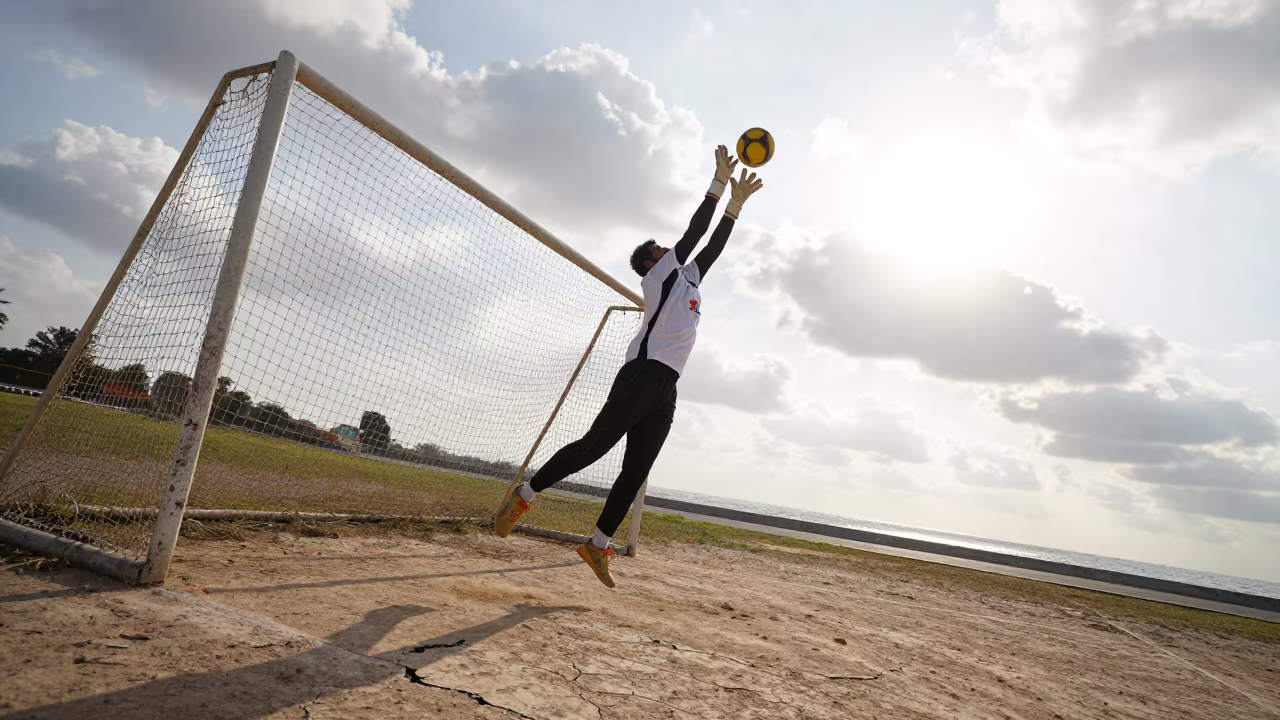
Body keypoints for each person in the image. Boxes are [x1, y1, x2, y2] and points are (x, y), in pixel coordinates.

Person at [493, 146, 763, 587]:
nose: (667, 250)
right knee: (592, 448)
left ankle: (597, 545)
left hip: (667, 386)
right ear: (651, 264)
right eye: (660, 249)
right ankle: (523, 496)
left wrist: (734, 209)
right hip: (642, 373)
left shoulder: (690, 278)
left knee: (636, 470)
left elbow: (710, 248)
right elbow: (695, 235)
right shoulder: (654, 279)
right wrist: (716, 188)